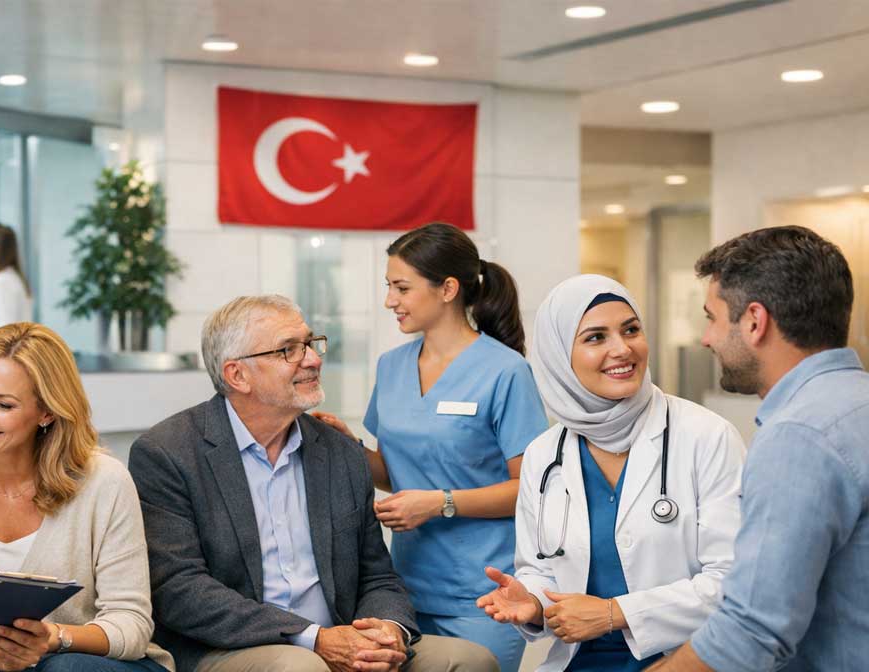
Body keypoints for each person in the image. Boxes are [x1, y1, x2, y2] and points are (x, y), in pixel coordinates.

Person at [128, 295, 499, 672]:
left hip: (342, 634)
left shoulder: (340, 450)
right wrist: (313, 639)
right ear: (237, 375)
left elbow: (377, 575)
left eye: (309, 343)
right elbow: (179, 589)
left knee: (468, 661)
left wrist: (386, 631)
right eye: (288, 350)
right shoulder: (167, 453)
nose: (313, 359)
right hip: (230, 648)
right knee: (301, 668)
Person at [476, 275, 745, 671]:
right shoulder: (544, 455)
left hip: (686, 659)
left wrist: (614, 613)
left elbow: (733, 581)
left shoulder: (707, 436)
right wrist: (532, 602)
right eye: (596, 338)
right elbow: (540, 568)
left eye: (631, 330)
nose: (622, 349)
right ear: (558, 356)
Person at [313, 222, 548, 672]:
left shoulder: (506, 371)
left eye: (401, 287)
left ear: (448, 289)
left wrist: (441, 503)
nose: (389, 301)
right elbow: (394, 470)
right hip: (403, 595)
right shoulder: (393, 366)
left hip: (483, 594)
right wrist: (350, 447)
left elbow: (532, 491)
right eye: (388, 286)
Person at [647, 226, 869, 671]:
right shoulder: (856, 402)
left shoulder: (799, 438)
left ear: (754, 320)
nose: (706, 338)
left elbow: (748, 631)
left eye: (711, 317)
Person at [0, 322, 173, 672]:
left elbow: (131, 625)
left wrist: (53, 637)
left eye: (3, 404)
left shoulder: (105, 482)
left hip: (91, 665)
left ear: (46, 412)